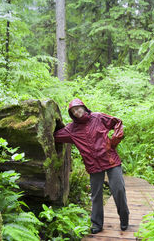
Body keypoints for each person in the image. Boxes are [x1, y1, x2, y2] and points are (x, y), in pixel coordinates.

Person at [54, 98, 129, 234]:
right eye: (73, 111)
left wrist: (114, 140)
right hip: (93, 165)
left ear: (83, 107)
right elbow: (55, 136)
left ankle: (124, 218)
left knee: (118, 189)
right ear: (71, 114)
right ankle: (97, 224)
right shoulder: (71, 129)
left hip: (110, 159)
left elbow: (117, 122)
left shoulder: (98, 117)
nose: (77, 112)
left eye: (78, 108)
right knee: (96, 195)